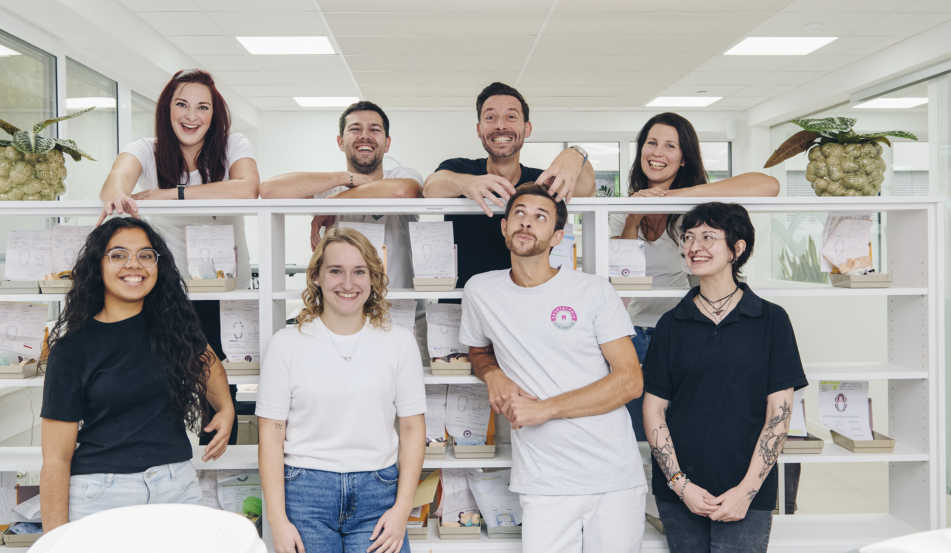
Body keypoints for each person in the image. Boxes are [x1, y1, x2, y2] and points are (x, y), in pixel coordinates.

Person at [459, 182, 646, 553]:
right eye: (519, 213)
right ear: (504, 227)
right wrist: (492, 374)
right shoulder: (481, 290)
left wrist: (546, 409)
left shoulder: (592, 291)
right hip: (543, 481)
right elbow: (477, 350)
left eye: (540, 217)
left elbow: (630, 380)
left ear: (557, 236)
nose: (527, 222)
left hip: (612, 477)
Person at [641, 202, 807, 553]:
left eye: (708, 237)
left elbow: (779, 413)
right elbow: (653, 408)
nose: (694, 246)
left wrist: (746, 491)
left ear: (737, 248)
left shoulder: (771, 320)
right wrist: (681, 485)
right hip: (681, 493)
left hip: (747, 492)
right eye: (688, 237)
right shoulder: (671, 323)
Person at [256, 227, 426, 553]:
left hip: (378, 496)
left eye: (359, 271)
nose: (348, 283)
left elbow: (414, 430)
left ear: (373, 278)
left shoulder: (398, 342)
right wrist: (278, 521)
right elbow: (270, 435)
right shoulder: (287, 344)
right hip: (305, 496)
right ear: (316, 276)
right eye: (335, 271)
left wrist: (401, 510)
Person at [98, 68, 260, 446]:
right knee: (164, 381)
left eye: (203, 107)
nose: (191, 116)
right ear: (166, 109)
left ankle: (215, 468)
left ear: (214, 114)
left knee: (220, 388)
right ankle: (166, 462)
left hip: (225, 292)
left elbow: (248, 188)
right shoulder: (147, 148)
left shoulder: (233, 144)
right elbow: (116, 180)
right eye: (182, 104)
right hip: (170, 291)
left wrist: (173, 194)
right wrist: (119, 194)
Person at [39, 217, 234, 532]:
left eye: (145, 255)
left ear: (158, 265)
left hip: (177, 486)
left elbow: (208, 362)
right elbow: (56, 459)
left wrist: (226, 408)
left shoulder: (176, 329)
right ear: (97, 266)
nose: (134, 264)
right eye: (118, 255)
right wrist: (53, 543)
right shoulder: (71, 350)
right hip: (102, 495)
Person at [611, 112, 780, 445]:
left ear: (684, 157)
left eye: (670, 146)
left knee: (682, 424)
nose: (657, 152)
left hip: (679, 328)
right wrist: (633, 217)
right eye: (651, 143)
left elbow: (769, 186)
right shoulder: (622, 208)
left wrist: (674, 196)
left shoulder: (694, 209)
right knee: (634, 430)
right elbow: (621, 275)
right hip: (631, 331)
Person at [423, 82, 596, 288]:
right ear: (479, 129)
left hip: (527, 298)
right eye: (490, 117)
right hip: (463, 299)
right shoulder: (459, 169)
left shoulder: (540, 183)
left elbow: (586, 189)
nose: (500, 126)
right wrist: (467, 183)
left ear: (527, 128)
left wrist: (576, 155)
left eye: (511, 117)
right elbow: (430, 188)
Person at [259, 100, 423, 290]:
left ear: (387, 143)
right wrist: (344, 178)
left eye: (374, 129)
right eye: (355, 129)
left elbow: (403, 191)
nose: (365, 136)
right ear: (340, 142)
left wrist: (332, 204)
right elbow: (269, 190)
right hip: (344, 302)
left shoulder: (401, 176)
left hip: (401, 305)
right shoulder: (332, 187)